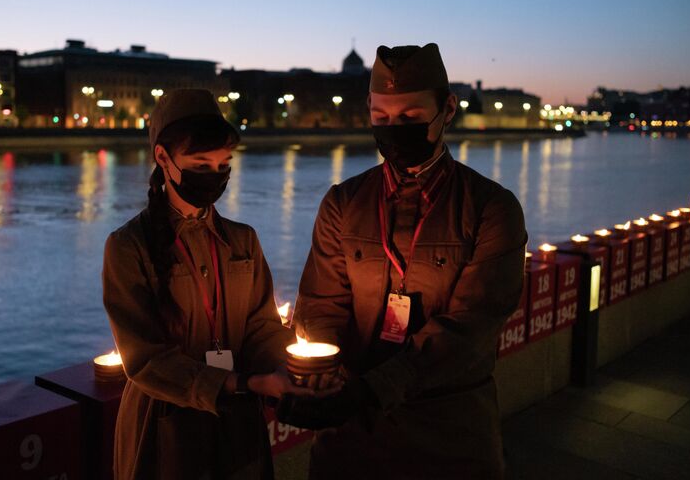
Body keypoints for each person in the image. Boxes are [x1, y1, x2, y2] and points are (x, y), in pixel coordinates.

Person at [285, 44, 528, 479]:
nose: (394, 129)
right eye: (382, 119)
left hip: (450, 438)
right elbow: (321, 302)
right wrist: (327, 376)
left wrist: (371, 390)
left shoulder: (493, 208)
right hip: (350, 441)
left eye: (411, 118)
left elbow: (471, 327)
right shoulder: (343, 202)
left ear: (447, 109)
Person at [102, 89, 311, 480]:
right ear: (163, 158)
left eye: (223, 164)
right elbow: (145, 360)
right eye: (201, 164)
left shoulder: (242, 239)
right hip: (162, 428)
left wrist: (284, 371)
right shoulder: (128, 246)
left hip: (238, 423)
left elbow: (262, 327)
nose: (215, 176)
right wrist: (235, 383)